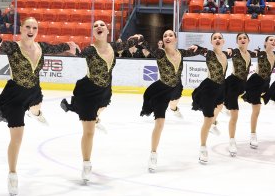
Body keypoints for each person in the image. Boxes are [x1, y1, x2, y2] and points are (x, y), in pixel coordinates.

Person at [0, 17, 78, 195]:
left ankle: (35, 113)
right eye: (28, 26)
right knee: (17, 139)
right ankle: (12, 174)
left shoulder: (41, 47)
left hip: (34, 91)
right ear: (21, 28)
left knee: (36, 108)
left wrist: (70, 45)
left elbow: (58, 47)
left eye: (34, 27)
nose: (31, 29)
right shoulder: (13, 47)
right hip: (15, 97)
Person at [60, 21, 142, 183]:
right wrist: (73, 51)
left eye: (102, 25)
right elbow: (80, 53)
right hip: (88, 92)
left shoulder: (114, 47)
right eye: (95, 25)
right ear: (93, 32)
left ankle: (96, 118)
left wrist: (138, 38)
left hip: (105, 91)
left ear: (107, 30)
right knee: (89, 131)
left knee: (102, 108)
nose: (99, 26)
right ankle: (86, 163)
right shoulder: (90, 49)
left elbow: (133, 42)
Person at [140, 30, 199, 172]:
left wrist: (198, 46)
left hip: (176, 88)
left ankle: (174, 108)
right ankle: (153, 154)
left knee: (173, 103)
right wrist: (139, 38)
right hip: (161, 90)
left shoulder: (182, 53)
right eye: (165, 36)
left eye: (170, 35)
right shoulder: (160, 53)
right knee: (160, 123)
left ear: (176, 39)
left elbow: (200, 51)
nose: (167, 37)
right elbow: (145, 44)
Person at [192, 32, 230, 164]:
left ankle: (214, 123)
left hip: (221, 88)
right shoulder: (209, 54)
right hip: (209, 88)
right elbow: (199, 49)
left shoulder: (226, 54)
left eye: (220, 38)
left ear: (223, 41)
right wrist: (195, 46)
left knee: (219, 106)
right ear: (212, 42)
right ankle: (203, 147)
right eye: (215, 38)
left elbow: (236, 52)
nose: (217, 39)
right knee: (207, 119)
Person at [224, 33, 257, 156]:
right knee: (235, 115)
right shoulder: (236, 51)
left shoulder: (250, 53)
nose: (242, 40)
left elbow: (260, 54)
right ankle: (232, 141)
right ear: (237, 42)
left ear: (249, 40)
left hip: (242, 85)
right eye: (239, 38)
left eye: (244, 38)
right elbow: (230, 52)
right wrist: (229, 50)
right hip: (232, 84)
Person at [242, 36, 275, 149]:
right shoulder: (260, 53)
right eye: (271, 40)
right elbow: (249, 53)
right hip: (255, 83)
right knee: (256, 111)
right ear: (265, 42)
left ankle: (271, 98)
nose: (273, 41)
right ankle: (253, 135)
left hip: (266, 83)